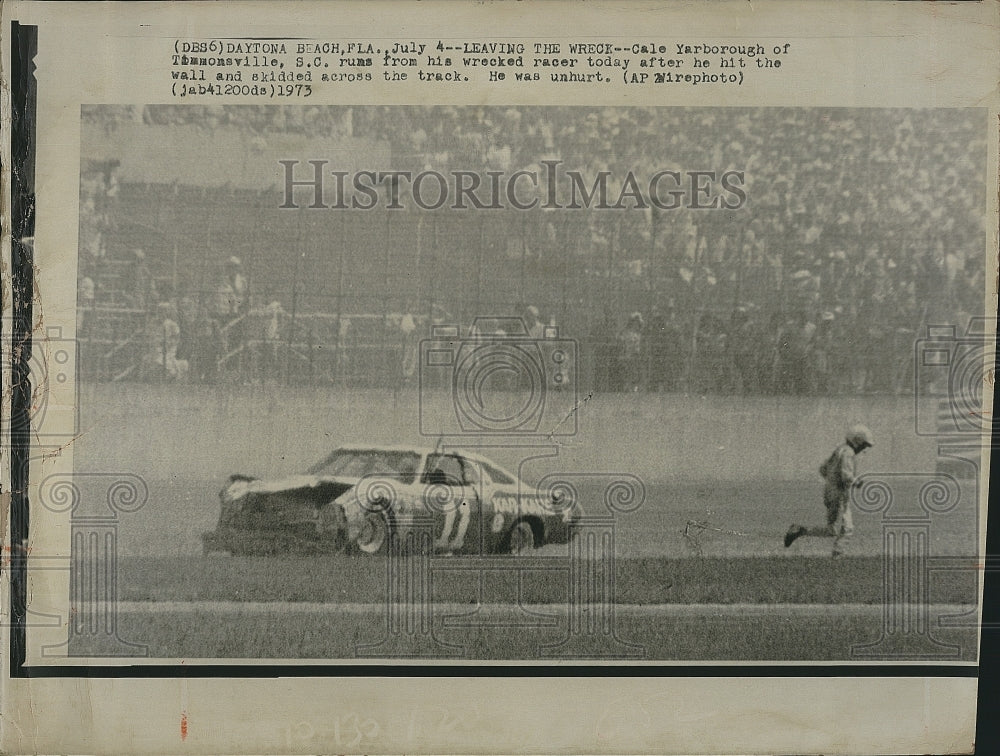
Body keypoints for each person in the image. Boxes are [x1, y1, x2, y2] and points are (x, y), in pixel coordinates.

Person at [784, 424, 874, 557]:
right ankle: (837, 555)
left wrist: (831, 483)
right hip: (840, 495)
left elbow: (823, 469)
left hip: (830, 492)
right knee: (847, 528)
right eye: (863, 444)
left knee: (831, 529)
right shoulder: (848, 453)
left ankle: (800, 531)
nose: (863, 448)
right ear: (858, 441)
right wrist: (856, 482)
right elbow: (846, 475)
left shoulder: (839, 450)